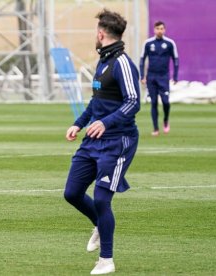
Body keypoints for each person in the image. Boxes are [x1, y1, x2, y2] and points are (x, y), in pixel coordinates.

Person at [64, 9, 140, 275]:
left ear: (101, 33)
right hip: (93, 140)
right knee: (71, 193)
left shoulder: (122, 63)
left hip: (118, 141)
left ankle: (106, 259)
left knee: (101, 198)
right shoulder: (103, 62)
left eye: (95, 31)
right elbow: (96, 103)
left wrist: (106, 122)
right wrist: (79, 123)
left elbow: (134, 102)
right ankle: (99, 223)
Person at [140, 21, 179, 136]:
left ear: (164, 30)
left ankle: (166, 120)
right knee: (154, 103)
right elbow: (142, 59)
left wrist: (175, 76)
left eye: (162, 28)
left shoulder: (170, 43)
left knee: (166, 102)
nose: (159, 31)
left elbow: (176, 59)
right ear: (154, 30)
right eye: (157, 28)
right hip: (151, 77)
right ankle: (156, 128)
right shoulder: (148, 43)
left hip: (164, 77)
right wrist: (142, 76)